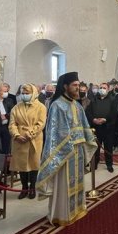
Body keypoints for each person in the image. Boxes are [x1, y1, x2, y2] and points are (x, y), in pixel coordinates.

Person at [37, 72, 97, 225]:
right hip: (64, 153)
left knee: (78, 182)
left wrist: (88, 139)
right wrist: (71, 142)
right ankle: (61, 214)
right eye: (74, 85)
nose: (78, 88)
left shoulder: (77, 105)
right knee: (64, 185)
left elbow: (84, 126)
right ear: (65, 86)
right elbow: (55, 133)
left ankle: (77, 209)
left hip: (78, 151)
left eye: (78, 85)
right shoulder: (57, 105)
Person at [9, 84, 47, 199]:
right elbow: (12, 123)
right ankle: (24, 188)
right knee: (22, 165)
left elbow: (41, 123)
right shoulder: (16, 107)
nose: (24, 95)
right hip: (19, 139)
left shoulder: (41, 107)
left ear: (34, 93)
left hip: (34, 139)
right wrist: (16, 134)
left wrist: (30, 134)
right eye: (23, 93)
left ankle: (32, 188)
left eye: (27, 93)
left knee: (33, 164)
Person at [86, 82, 117, 173]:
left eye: (104, 88)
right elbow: (88, 112)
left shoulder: (112, 100)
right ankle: (94, 164)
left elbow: (114, 113)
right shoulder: (93, 100)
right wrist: (93, 120)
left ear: (108, 89)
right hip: (96, 128)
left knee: (108, 147)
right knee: (96, 147)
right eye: (101, 87)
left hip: (107, 128)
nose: (102, 89)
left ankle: (109, 165)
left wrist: (105, 119)